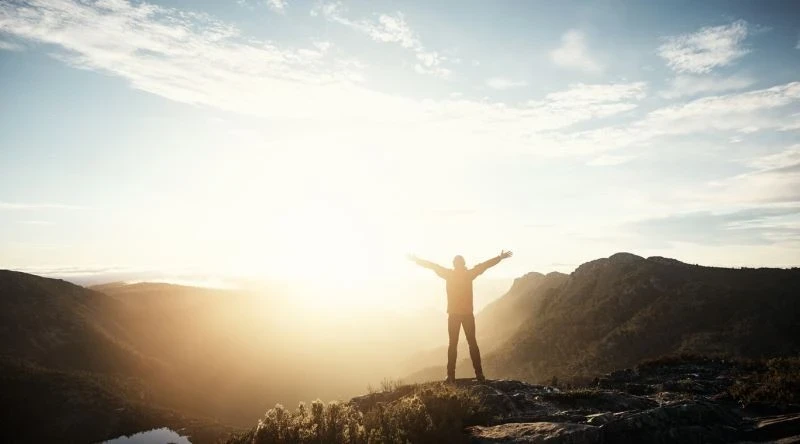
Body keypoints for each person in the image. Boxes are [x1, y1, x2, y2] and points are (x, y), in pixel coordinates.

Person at [408, 250, 513, 383]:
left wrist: (416, 260)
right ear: (463, 264)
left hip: (454, 315)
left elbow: (432, 265)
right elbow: (485, 265)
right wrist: (499, 258)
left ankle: (451, 376)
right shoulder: (468, 274)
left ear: (454, 264)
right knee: (472, 344)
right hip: (467, 315)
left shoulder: (449, 274)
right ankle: (479, 374)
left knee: (453, 345)